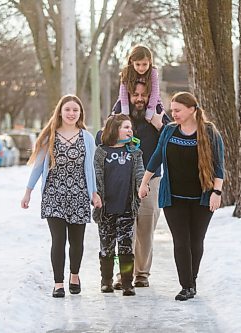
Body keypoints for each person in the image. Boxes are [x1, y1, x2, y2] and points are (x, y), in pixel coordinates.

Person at [138, 91, 224, 301]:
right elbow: (157, 157)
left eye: (177, 110)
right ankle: (186, 286)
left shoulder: (210, 132)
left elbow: (219, 166)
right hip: (173, 198)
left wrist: (217, 192)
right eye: (172, 110)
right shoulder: (169, 131)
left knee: (196, 241)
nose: (173, 114)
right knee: (180, 241)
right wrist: (144, 182)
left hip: (202, 198)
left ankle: (191, 281)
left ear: (192, 109)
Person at [21, 94, 102, 298]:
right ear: (60, 112)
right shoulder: (50, 136)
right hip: (53, 194)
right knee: (58, 239)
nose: (71, 113)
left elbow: (90, 169)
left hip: (79, 194)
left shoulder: (87, 138)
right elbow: (38, 166)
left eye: (75, 110)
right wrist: (28, 192)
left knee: (77, 241)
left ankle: (74, 276)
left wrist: (94, 192)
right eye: (67, 109)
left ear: (80, 113)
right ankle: (58, 283)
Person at [98, 80, 171, 289]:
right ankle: (124, 275)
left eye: (143, 95)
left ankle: (141, 274)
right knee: (125, 229)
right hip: (122, 181)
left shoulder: (157, 114)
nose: (139, 99)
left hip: (151, 178)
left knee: (145, 228)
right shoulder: (119, 114)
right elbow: (101, 140)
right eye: (135, 95)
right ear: (128, 96)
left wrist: (159, 124)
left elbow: (171, 139)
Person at [93, 114, 144, 296]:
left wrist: (141, 186)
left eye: (130, 128)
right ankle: (106, 281)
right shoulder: (101, 152)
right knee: (107, 246)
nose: (130, 130)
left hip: (127, 207)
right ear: (114, 129)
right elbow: (95, 175)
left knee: (126, 246)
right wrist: (96, 195)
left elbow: (140, 173)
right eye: (126, 127)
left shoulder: (134, 151)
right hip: (106, 208)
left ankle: (127, 282)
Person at [117, 44, 164, 122]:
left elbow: (155, 92)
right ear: (132, 62)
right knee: (116, 114)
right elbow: (123, 93)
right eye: (138, 64)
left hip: (151, 100)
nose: (141, 68)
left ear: (150, 61)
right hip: (128, 100)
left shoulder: (153, 72)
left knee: (162, 116)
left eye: (144, 64)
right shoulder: (127, 72)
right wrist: (125, 113)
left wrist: (150, 113)